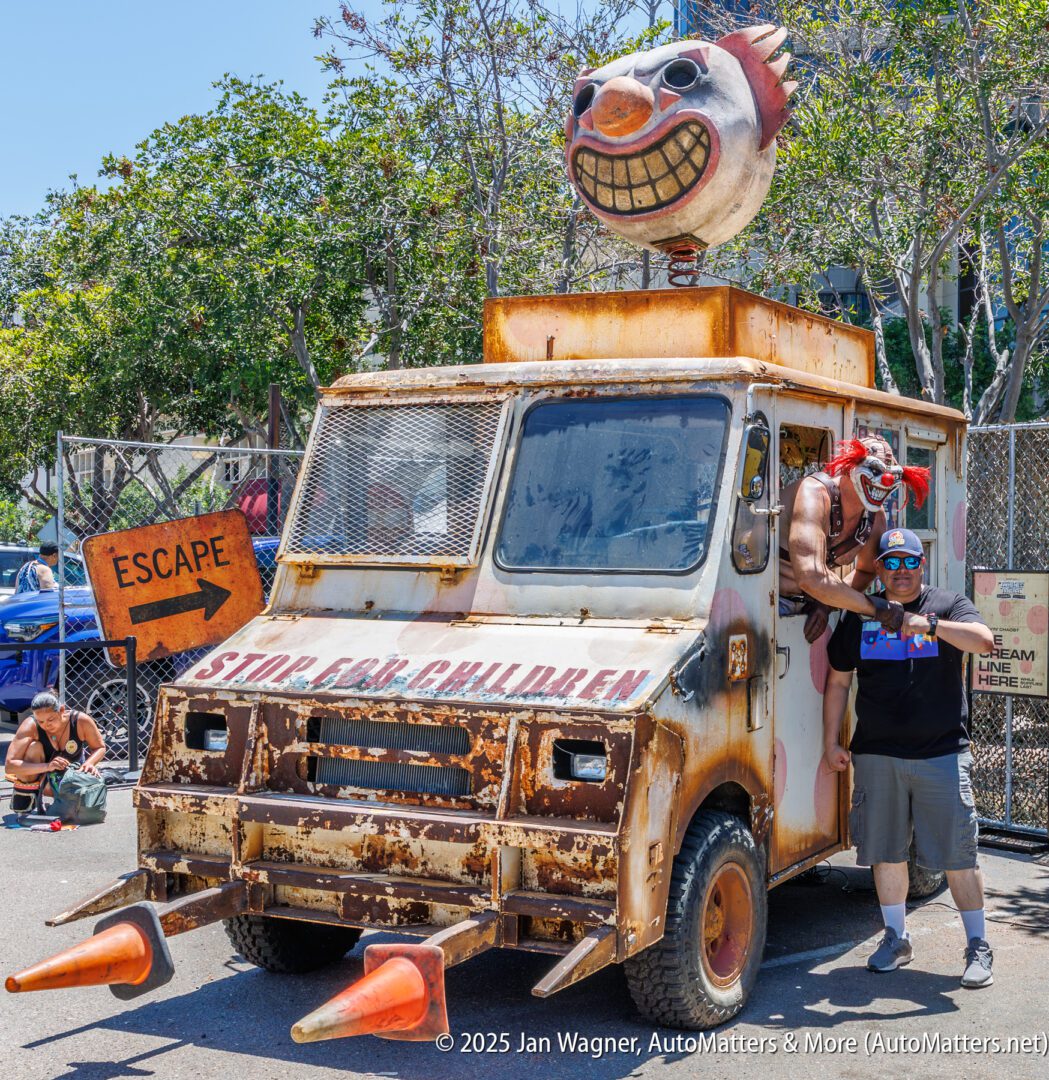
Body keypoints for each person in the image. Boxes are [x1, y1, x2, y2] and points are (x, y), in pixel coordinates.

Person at [822, 528, 996, 988]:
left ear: (923, 564)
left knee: (959, 855)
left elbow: (983, 641)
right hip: (878, 753)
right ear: (879, 568)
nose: (901, 571)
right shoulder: (862, 615)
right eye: (891, 562)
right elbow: (838, 682)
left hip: (942, 751)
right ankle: (896, 937)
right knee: (886, 852)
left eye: (909, 562)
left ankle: (978, 945)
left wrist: (930, 626)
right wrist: (831, 742)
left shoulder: (947, 604)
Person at [779, 435, 930, 643]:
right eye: (875, 471)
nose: (884, 481)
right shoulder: (814, 495)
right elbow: (810, 576)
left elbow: (866, 570)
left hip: (813, 610)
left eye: (892, 476)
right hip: (770, 601)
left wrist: (826, 604)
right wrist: (876, 608)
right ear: (850, 466)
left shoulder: (874, 518)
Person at [4, 691, 106, 813]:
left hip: (69, 774)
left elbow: (100, 747)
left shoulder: (80, 721)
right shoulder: (30, 725)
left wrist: (89, 763)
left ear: (62, 710)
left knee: (84, 793)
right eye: (41, 722)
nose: (46, 725)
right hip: (40, 775)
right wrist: (47, 766)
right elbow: (10, 766)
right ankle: (31, 794)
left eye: (51, 719)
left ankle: (59, 797)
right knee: (34, 747)